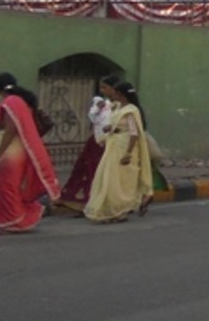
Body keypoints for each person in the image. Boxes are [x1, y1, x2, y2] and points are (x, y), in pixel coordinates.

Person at [0, 73, 60, 233]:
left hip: (9, 151)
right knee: (5, 185)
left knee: (5, 186)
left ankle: (16, 220)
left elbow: (10, 130)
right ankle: (10, 220)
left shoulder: (11, 102)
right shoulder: (22, 101)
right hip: (15, 150)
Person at [85, 81, 154, 224]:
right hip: (113, 144)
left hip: (124, 146)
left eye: (116, 92)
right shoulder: (118, 108)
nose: (113, 94)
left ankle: (120, 211)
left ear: (121, 95)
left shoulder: (131, 110)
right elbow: (116, 123)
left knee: (122, 180)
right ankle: (109, 210)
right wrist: (109, 128)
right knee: (108, 177)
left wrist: (128, 153)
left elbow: (134, 133)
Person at [55, 74, 121, 214]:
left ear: (114, 89)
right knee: (85, 169)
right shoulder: (101, 103)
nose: (102, 90)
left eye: (105, 87)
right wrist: (98, 108)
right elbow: (92, 117)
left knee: (101, 173)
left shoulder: (122, 106)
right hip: (96, 141)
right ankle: (81, 202)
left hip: (110, 142)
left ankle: (102, 203)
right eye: (101, 87)